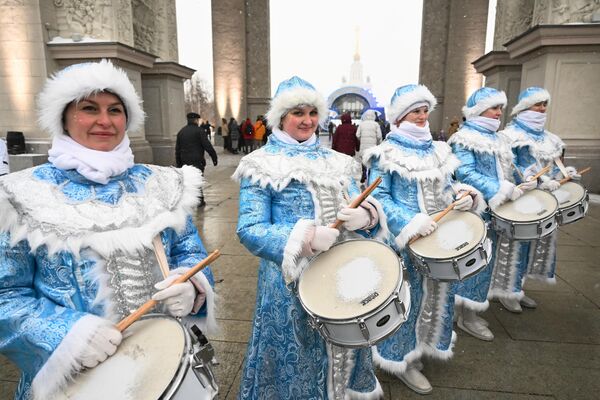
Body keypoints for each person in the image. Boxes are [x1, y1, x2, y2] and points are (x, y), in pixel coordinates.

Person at [0, 60, 217, 400]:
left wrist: (191, 285)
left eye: (115, 110)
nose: (104, 121)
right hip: (76, 380)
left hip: (162, 366)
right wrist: (69, 335)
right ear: (64, 117)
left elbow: (189, 251)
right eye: (89, 108)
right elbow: (6, 295)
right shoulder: (17, 196)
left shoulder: (163, 184)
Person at [233, 76, 387, 399]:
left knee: (344, 348)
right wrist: (304, 237)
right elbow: (250, 228)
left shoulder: (339, 162)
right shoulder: (259, 165)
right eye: (297, 113)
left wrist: (368, 216)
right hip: (290, 284)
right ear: (280, 118)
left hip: (342, 272)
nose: (307, 121)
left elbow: (356, 199)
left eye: (313, 112)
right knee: (300, 358)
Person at [363, 84, 486, 394]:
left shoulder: (439, 150)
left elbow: (449, 186)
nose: (421, 116)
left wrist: (462, 196)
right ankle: (402, 360)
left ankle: (425, 346)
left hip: (439, 242)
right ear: (402, 115)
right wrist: (410, 221)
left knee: (437, 296)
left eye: (424, 110)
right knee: (407, 301)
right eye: (415, 111)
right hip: (403, 244)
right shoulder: (385, 153)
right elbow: (378, 198)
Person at [448, 87, 536, 340]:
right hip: (475, 212)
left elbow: (509, 167)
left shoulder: (499, 139)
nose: (499, 113)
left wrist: (524, 178)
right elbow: (465, 173)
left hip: (497, 211)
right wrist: (498, 189)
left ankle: (465, 311)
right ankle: (467, 317)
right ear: (479, 110)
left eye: (501, 108)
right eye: (494, 108)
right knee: (473, 265)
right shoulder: (464, 138)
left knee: (486, 263)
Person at [497, 87, 579, 312]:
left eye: (545, 104)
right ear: (524, 107)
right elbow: (506, 168)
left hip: (544, 201)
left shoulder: (550, 139)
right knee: (514, 246)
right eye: (537, 104)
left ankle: (519, 288)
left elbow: (554, 167)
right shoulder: (509, 136)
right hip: (519, 199)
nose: (542, 109)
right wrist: (529, 180)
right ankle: (507, 290)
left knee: (535, 245)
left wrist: (563, 175)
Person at [176, 112, 218, 207]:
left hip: (184, 161)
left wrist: (178, 162)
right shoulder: (199, 131)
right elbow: (207, 145)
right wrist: (214, 157)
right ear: (196, 120)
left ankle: (189, 200)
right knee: (197, 179)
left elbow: (177, 149)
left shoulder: (181, 132)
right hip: (197, 160)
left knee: (187, 180)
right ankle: (199, 200)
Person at [356, 109, 382, 182]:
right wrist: (378, 143)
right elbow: (379, 136)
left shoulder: (361, 124)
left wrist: (361, 139)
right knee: (372, 161)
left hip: (363, 146)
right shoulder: (376, 124)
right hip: (373, 147)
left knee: (364, 161)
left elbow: (357, 135)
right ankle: (371, 176)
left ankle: (364, 173)